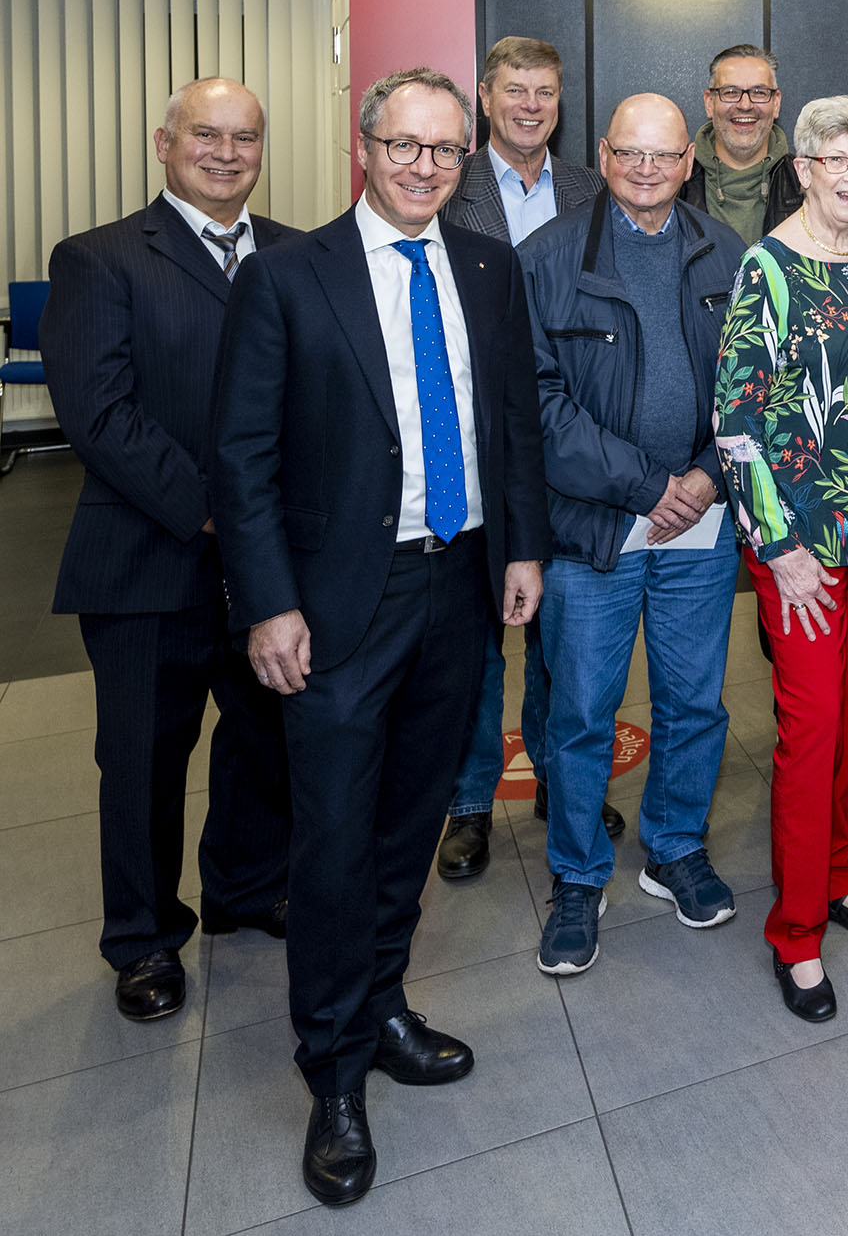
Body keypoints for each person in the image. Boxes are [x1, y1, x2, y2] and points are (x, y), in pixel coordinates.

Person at [210, 66, 550, 1207]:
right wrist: (268, 603)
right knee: (335, 838)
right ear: (366, 146)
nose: (424, 167)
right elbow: (242, 456)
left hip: (461, 585)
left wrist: (522, 548)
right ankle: (334, 1070)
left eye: (445, 150)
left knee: (410, 819)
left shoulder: (489, 269)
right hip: (338, 602)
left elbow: (512, 420)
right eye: (405, 145)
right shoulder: (288, 275)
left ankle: (383, 1000)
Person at [46, 77, 293, 1024]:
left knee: (264, 738)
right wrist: (225, 509)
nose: (226, 153)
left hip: (267, 570)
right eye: (205, 134)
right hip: (148, 559)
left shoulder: (294, 252)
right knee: (144, 760)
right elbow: (100, 416)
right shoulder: (100, 258)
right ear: (164, 143)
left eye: (244, 137)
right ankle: (144, 936)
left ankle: (245, 886)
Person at [521, 94, 747, 978]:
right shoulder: (547, 259)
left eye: (663, 155)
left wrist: (706, 477)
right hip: (594, 527)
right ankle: (578, 876)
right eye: (629, 153)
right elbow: (539, 404)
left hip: (702, 523)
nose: (646, 170)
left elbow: (752, 388)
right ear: (604, 156)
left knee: (696, 704)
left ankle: (675, 847)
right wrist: (649, 487)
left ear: (689, 160)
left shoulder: (727, 252)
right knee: (581, 714)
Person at [714, 95, 848, 1024]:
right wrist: (781, 547)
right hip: (801, 548)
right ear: (801, 169)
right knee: (811, 735)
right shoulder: (767, 268)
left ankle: (838, 874)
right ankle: (796, 931)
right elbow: (737, 424)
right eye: (833, 160)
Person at [434, 36, 609, 883]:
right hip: (473, 443)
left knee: (559, 637)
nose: (531, 105)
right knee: (476, 643)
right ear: (484, 96)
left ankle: (556, 780)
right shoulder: (445, 184)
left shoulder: (588, 190)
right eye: (515, 90)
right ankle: (470, 801)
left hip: (562, 443)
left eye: (544, 91)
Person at [681, 44, 799, 249]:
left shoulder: (806, 184)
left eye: (759, 92)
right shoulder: (674, 182)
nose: (745, 105)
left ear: (776, 103)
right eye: (730, 92)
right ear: (709, 103)